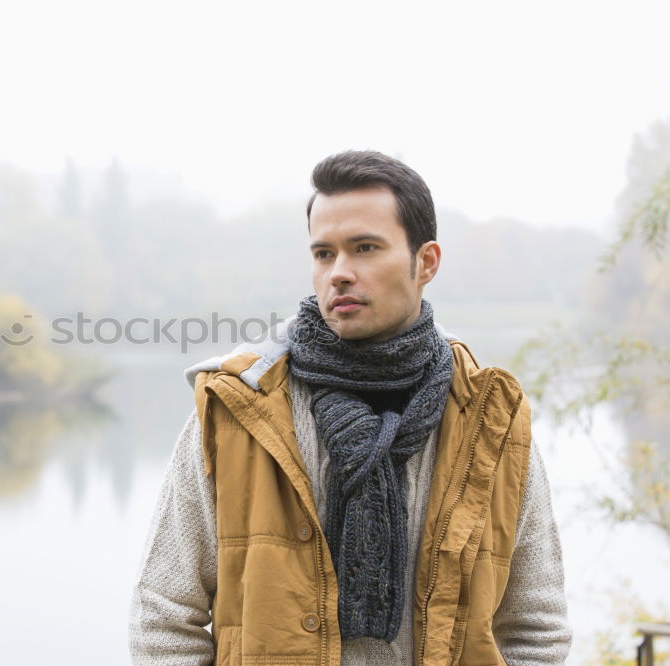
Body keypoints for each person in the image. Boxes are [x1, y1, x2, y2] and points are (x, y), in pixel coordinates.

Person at [128, 150, 571, 665]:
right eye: (323, 253)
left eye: (364, 248)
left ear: (426, 262)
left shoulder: (489, 417)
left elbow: (535, 628)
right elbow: (163, 616)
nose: (339, 273)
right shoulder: (239, 407)